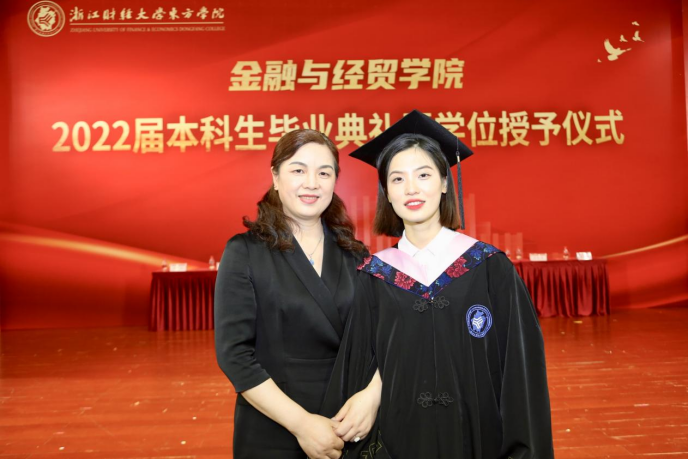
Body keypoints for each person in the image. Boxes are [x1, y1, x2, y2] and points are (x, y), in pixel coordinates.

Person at [322, 110, 554, 458]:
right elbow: (359, 369)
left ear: (445, 182)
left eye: (424, 174)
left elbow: (521, 376)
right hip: (398, 443)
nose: (411, 188)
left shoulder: (489, 268)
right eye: (397, 179)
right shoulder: (375, 276)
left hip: (479, 442)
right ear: (386, 192)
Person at [214, 129, 375, 459]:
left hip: (349, 423)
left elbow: (382, 340)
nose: (311, 183)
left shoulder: (355, 254)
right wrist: (302, 425)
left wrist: (371, 399)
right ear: (276, 177)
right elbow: (235, 355)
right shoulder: (245, 251)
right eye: (298, 170)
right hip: (275, 424)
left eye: (324, 173)